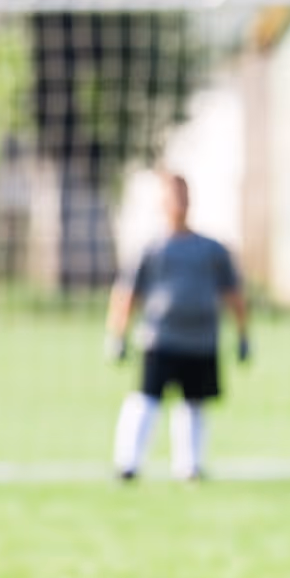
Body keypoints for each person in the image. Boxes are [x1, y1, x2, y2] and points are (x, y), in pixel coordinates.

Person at [107, 172, 248, 481]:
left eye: (184, 196)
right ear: (162, 202)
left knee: (194, 402)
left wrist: (243, 335)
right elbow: (127, 294)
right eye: (173, 196)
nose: (179, 203)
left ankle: (190, 467)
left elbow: (233, 293)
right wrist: (117, 334)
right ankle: (128, 464)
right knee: (146, 398)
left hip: (201, 340)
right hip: (161, 338)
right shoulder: (151, 248)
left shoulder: (211, 249)